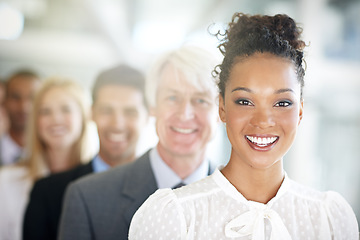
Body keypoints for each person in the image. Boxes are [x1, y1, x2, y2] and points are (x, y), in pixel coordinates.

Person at [129, 13, 359, 239]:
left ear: (299, 112)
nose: (263, 121)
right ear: (222, 108)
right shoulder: (175, 216)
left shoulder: (328, 219)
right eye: (245, 101)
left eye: (282, 103)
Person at [58, 45, 219, 240]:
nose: (185, 114)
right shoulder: (88, 198)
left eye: (201, 100)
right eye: (172, 97)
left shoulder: (245, 201)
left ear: (221, 110)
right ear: (152, 106)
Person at [22, 64, 148, 240]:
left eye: (130, 112)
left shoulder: (163, 192)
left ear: (148, 116)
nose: (117, 123)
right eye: (106, 110)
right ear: (91, 113)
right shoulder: (49, 192)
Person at [0, 77, 91, 240]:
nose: (56, 119)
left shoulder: (97, 180)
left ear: (83, 117)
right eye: (45, 111)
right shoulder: (7, 181)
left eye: (66, 109)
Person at [0, 69, 41, 166]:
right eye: (15, 97)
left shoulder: (53, 154)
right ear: (4, 101)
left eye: (33, 98)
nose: (24, 107)